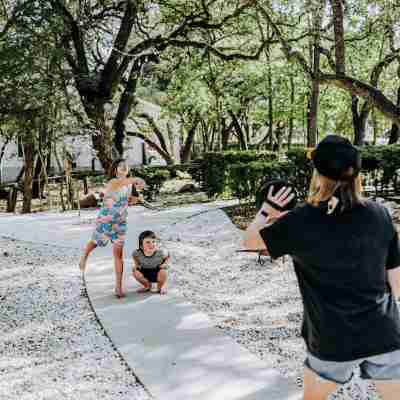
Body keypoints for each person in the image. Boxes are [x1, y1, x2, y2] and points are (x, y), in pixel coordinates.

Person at [243, 135, 400, 400]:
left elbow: (249, 242)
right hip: (384, 332)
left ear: (318, 173)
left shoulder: (300, 221)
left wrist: (267, 210)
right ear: (356, 173)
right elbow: (396, 283)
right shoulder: (380, 214)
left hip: (331, 339)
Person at [79, 158, 145, 298]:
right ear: (115, 169)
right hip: (106, 221)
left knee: (118, 256)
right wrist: (137, 179)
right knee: (95, 243)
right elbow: (123, 183)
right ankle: (84, 255)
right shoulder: (113, 182)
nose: (123, 167)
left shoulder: (129, 185)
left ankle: (118, 287)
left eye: (125, 165)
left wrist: (135, 199)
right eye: (120, 166)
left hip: (120, 223)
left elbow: (130, 200)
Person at [132, 230, 169, 295]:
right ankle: (147, 285)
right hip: (144, 272)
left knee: (163, 272)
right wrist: (136, 265)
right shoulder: (137, 253)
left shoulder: (160, 253)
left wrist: (164, 264)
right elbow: (135, 257)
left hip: (157, 272)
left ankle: (159, 287)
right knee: (135, 272)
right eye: (148, 242)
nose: (151, 244)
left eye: (153, 241)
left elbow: (167, 257)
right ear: (141, 246)